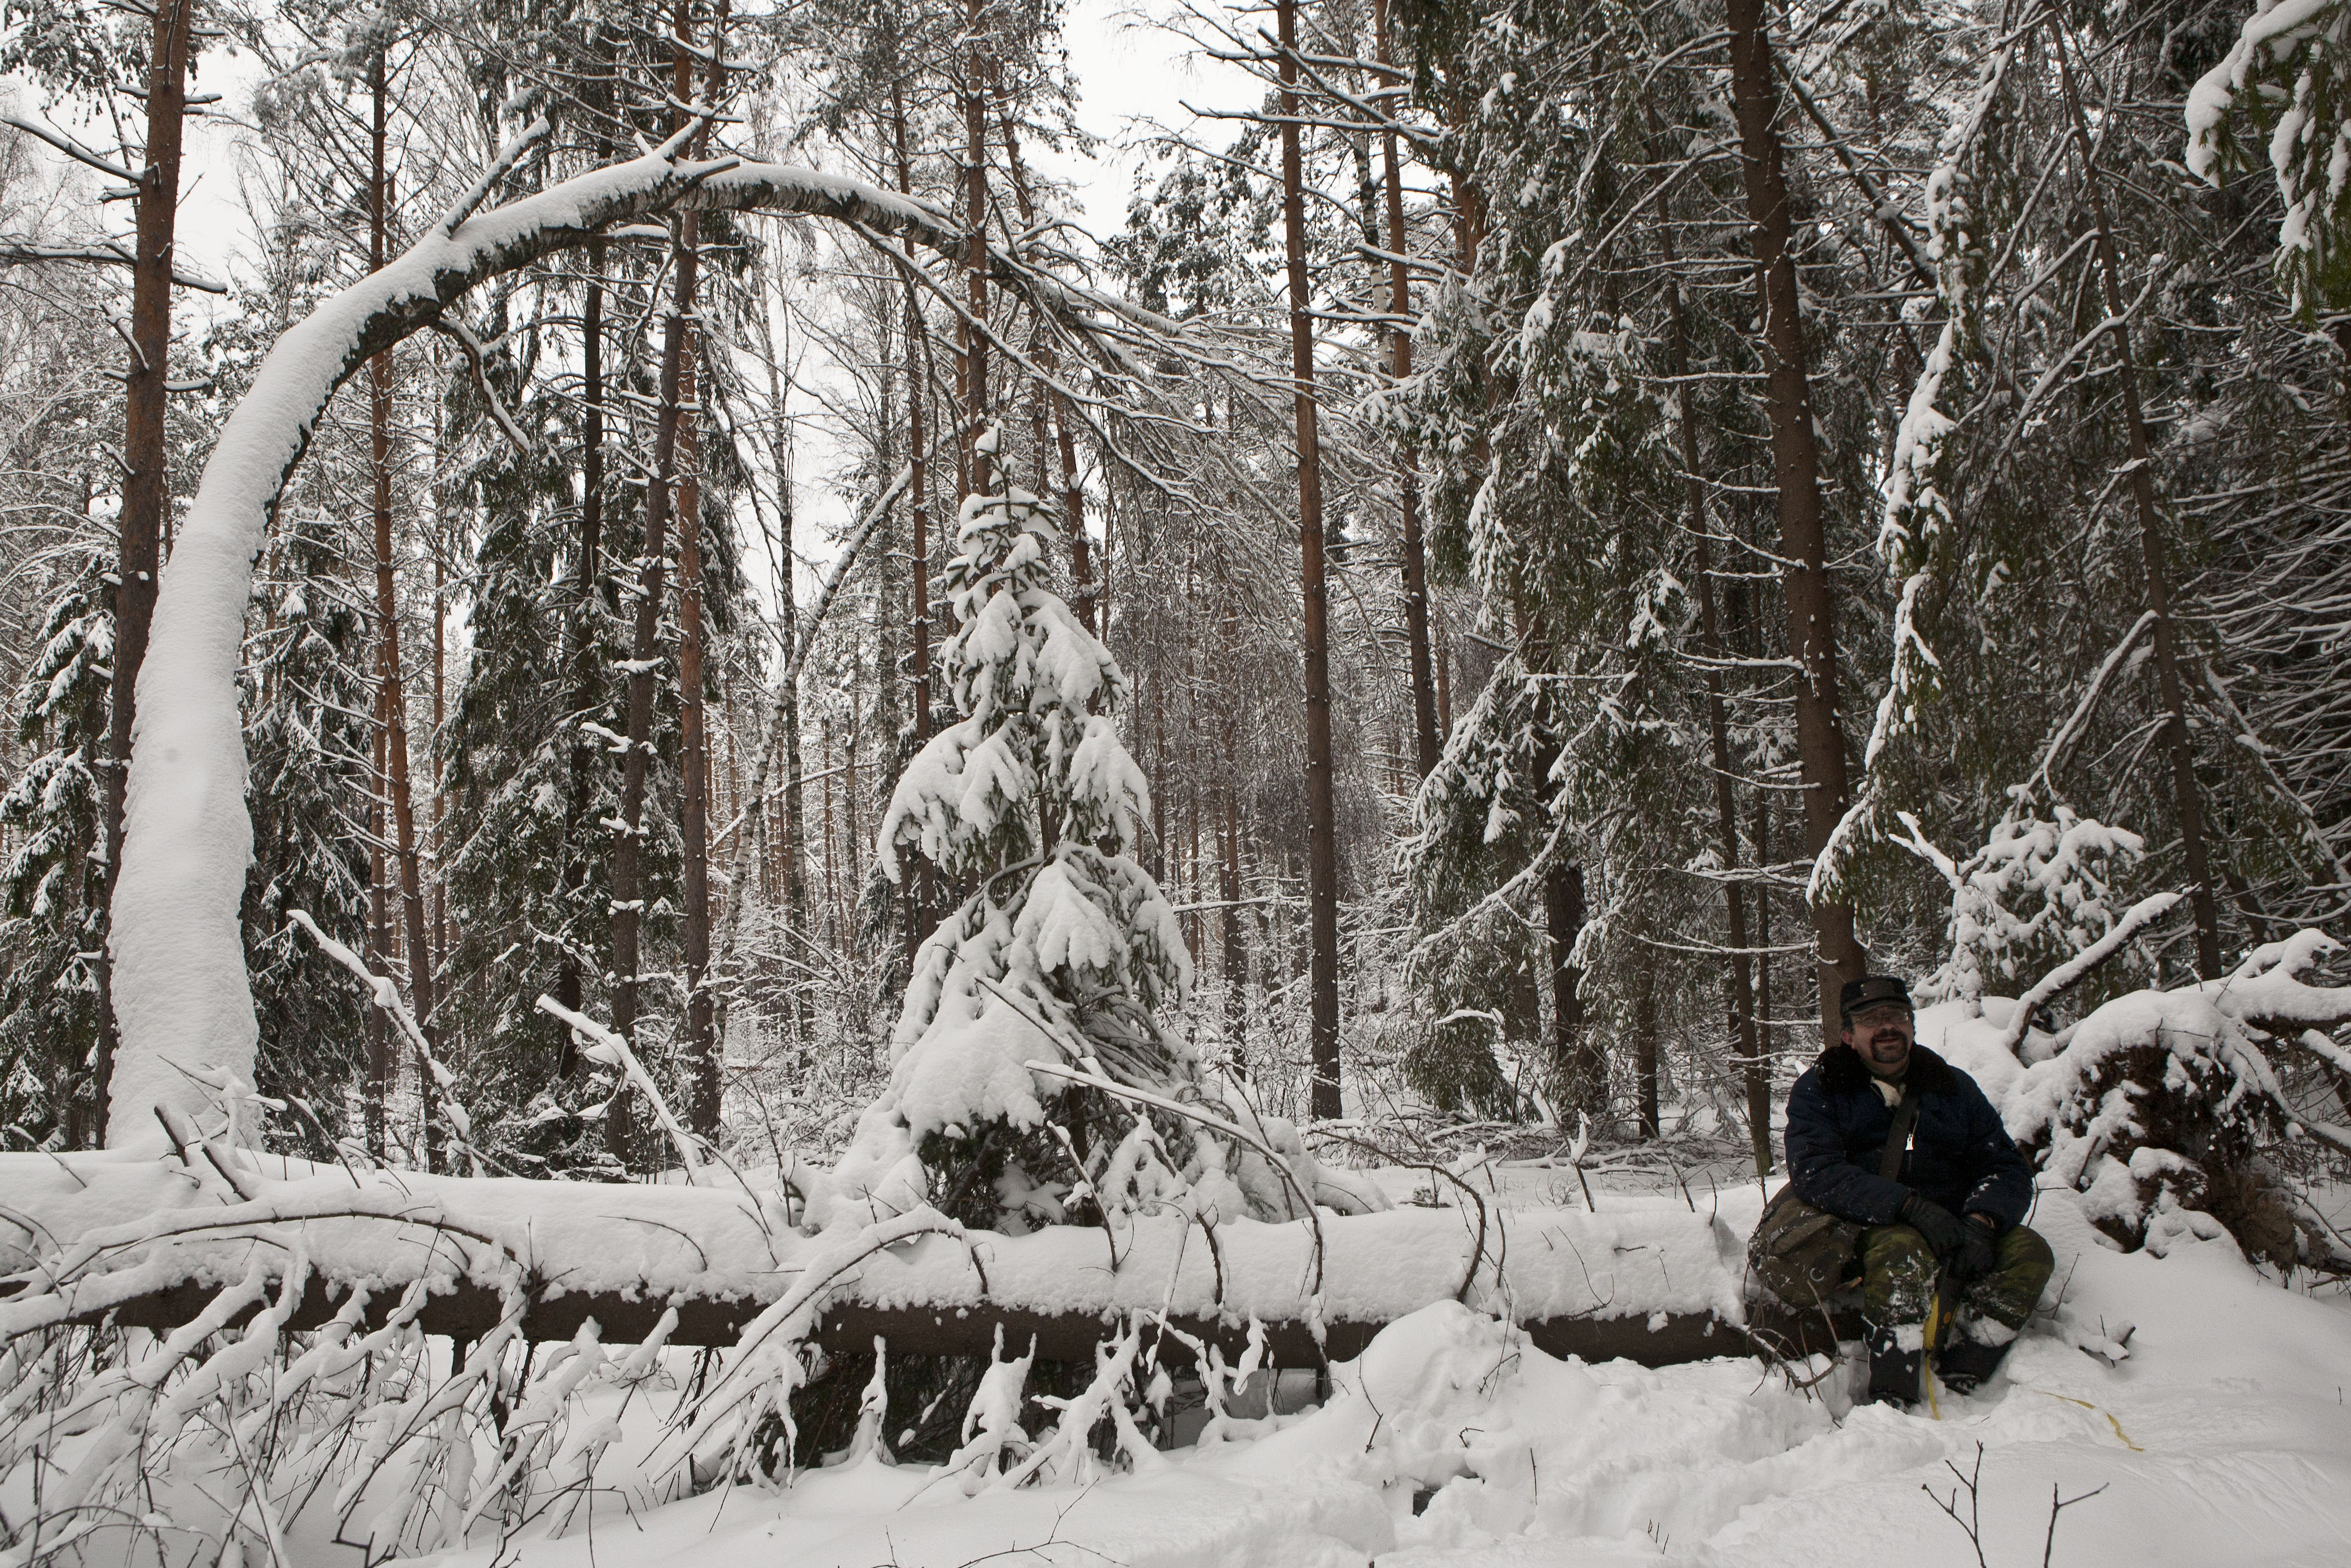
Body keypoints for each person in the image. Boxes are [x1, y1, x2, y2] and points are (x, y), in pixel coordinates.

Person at [1751, 974, 2055, 1405]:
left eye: (1895, 1016)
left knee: (2031, 1253)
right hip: (1863, 1226)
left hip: (1954, 1225)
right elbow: (1816, 1171)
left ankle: (1965, 1369)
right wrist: (1908, 1207)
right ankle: (1893, 1391)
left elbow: (2004, 1164)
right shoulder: (1821, 1087)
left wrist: (1982, 1221)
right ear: (1847, 1034)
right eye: (1871, 1019)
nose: (1886, 1027)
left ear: (1911, 1025)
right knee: (1901, 1249)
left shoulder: (1952, 1087)